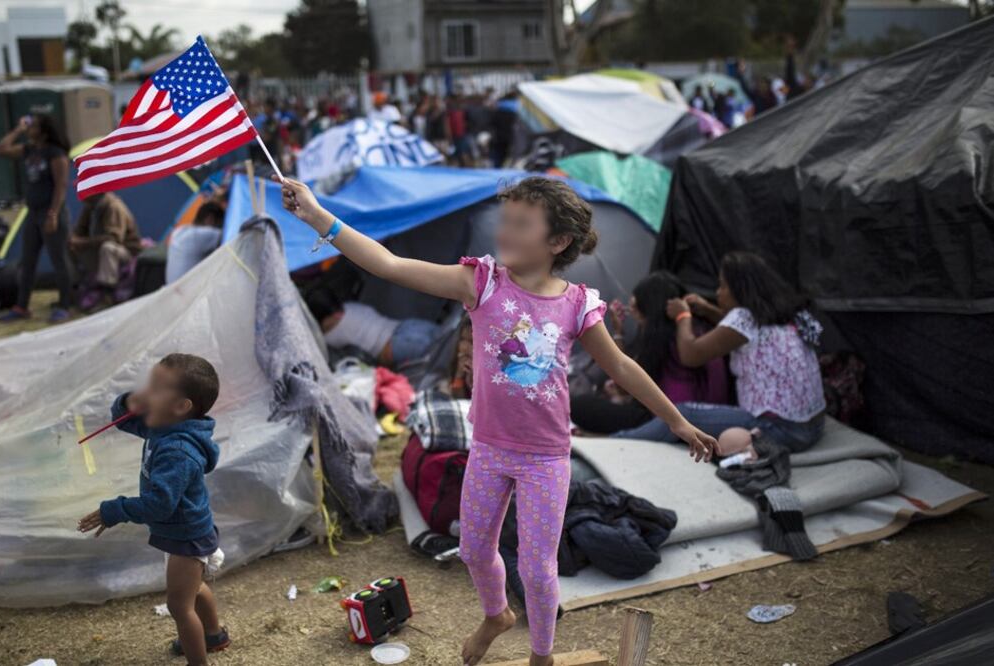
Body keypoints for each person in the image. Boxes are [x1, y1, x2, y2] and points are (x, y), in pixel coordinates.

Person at [280, 175, 716, 666]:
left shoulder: (577, 305)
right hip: (488, 448)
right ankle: (496, 614)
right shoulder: (482, 282)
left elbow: (621, 366)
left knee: (536, 569)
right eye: (504, 220)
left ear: (558, 242)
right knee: (472, 549)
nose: (504, 232)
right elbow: (390, 264)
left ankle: (541, 655)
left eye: (520, 224)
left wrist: (676, 421)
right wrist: (318, 216)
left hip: (546, 459)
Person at [77, 353, 228, 666]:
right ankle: (213, 635)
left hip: (186, 537)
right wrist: (131, 400)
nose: (146, 393)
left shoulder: (178, 449)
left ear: (181, 406)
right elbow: (126, 419)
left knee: (179, 606)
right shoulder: (166, 427)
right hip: (186, 530)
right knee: (195, 589)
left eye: (156, 388)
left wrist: (114, 510)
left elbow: (159, 505)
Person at [615, 251, 826, 453]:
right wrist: (708, 309)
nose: (718, 293)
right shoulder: (787, 314)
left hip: (779, 429)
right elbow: (737, 333)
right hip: (814, 427)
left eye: (723, 286)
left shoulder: (744, 317)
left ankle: (614, 444)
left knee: (682, 415)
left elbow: (690, 355)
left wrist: (683, 317)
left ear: (740, 289)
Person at [573, 271, 730, 434]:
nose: (633, 314)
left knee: (579, 405)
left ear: (647, 310)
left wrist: (618, 332)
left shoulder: (660, 340)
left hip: (671, 421)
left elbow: (623, 386)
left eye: (635, 309)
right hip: (711, 416)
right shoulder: (702, 329)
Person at [0, 114, 73, 323]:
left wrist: (53, 214)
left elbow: (61, 186)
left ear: (44, 130)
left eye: (33, 126)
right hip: (32, 214)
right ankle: (21, 307)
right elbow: (0, 149)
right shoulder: (29, 150)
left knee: (59, 261)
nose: (29, 129)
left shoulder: (55, 153)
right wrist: (18, 129)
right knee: (28, 261)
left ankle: (65, 305)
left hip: (51, 213)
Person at [304, 286, 441, 368]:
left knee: (445, 359)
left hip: (395, 345)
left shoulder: (327, 337)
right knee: (448, 344)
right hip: (407, 326)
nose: (339, 315)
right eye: (333, 314)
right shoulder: (351, 306)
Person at [70, 192, 142, 310]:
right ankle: (77, 287)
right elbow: (79, 229)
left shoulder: (113, 206)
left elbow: (114, 238)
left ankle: (106, 293)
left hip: (126, 252)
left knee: (108, 248)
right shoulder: (90, 206)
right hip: (98, 249)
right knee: (72, 247)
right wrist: (74, 239)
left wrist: (84, 242)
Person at [166, 202, 225, 284]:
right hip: (190, 294)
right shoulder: (206, 235)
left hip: (171, 291)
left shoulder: (179, 231)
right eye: (220, 224)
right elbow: (233, 235)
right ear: (210, 219)